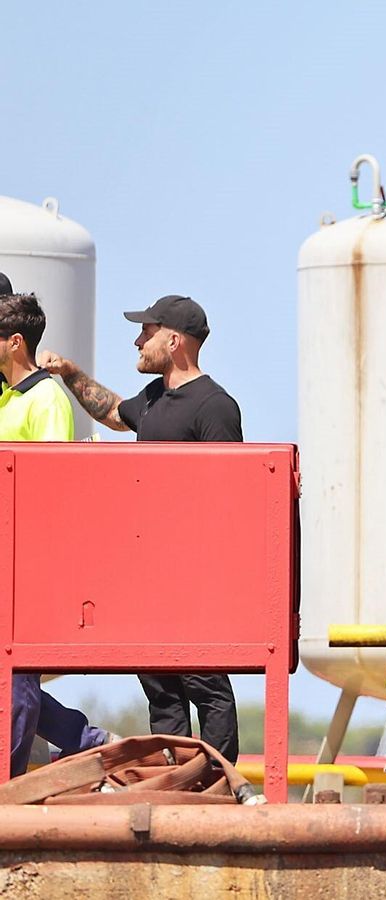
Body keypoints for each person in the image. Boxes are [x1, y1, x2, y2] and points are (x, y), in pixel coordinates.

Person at [39, 294, 243, 762]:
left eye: (146, 333)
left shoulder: (214, 407)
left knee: (204, 683)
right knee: (161, 687)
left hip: (192, 576)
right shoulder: (152, 398)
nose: (137, 340)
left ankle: (216, 783)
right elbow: (113, 413)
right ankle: (174, 776)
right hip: (147, 571)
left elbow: (231, 498)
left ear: (173, 341)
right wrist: (70, 374)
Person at [0, 289, 116, 776]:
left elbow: (51, 488)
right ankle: (83, 739)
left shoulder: (46, 399)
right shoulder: (8, 399)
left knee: (17, 675)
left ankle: (10, 777)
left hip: (26, 560)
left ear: (15, 343)